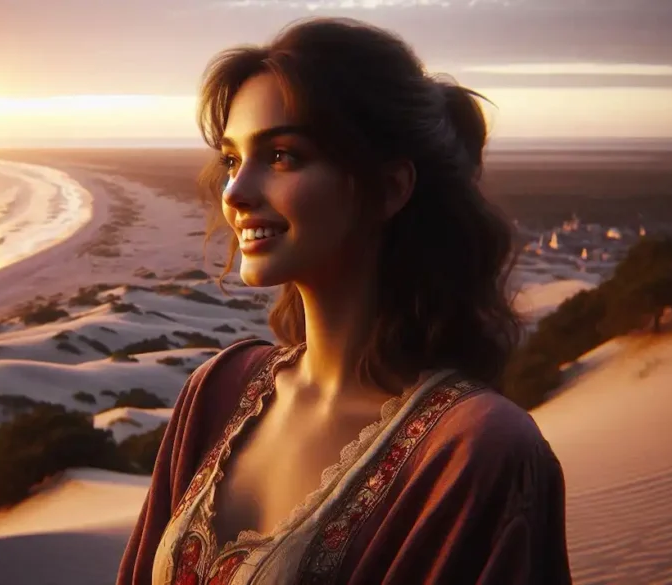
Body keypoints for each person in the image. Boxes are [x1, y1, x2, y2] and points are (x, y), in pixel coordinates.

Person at [117, 17, 572, 585]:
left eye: (282, 155)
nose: (234, 191)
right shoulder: (217, 391)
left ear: (390, 188)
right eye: (233, 160)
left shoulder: (476, 450)